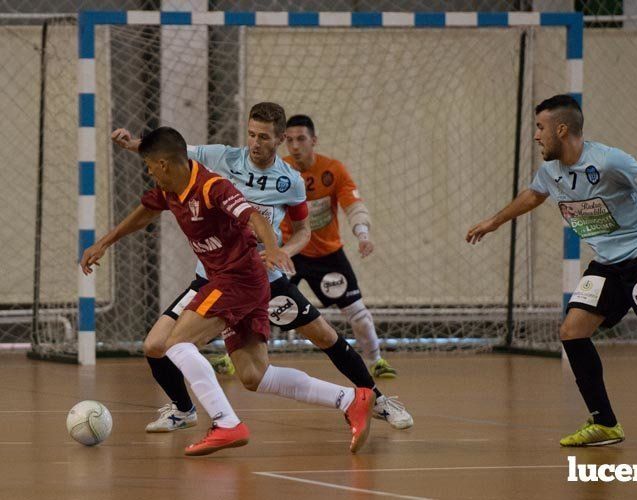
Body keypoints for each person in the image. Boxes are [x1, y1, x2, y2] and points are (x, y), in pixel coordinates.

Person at [111, 103, 413, 432]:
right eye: (252, 134)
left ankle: (376, 398)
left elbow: (302, 231)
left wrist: (281, 251)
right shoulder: (223, 157)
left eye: (264, 137)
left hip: (264, 278)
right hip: (212, 276)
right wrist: (132, 144)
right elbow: (172, 152)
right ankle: (184, 410)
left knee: (324, 336)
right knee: (157, 346)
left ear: (280, 138)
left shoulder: (291, 181)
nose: (255, 142)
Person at [466, 94, 637, 447]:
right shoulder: (550, 172)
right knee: (571, 331)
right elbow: (533, 195)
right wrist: (492, 222)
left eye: (540, 127)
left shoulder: (610, 161)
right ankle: (605, 423)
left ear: (561, 129)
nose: (536, 135)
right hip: (609, 263)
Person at [282, 114, 395, 379]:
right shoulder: (279, 170)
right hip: (289, 252)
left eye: (301, 139)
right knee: (261, 305)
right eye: (289, 140)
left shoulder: (333, 170)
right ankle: (231, 358)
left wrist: (363, 235)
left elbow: (353, 206)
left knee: (358, 314)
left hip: (327, 255)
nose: (295, 146)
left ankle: (376, 360)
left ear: (314, 141)